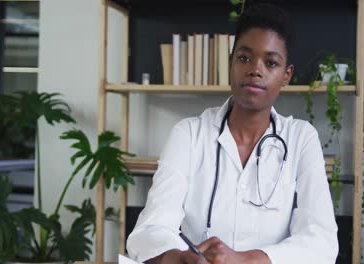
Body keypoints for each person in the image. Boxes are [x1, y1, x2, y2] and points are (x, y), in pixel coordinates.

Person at [127, 3, 338, 264]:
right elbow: (150, 230)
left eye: (271, 63)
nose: (255, 70)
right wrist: (177, 257)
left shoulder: (301, 138)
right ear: (231, 62)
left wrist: (246, 259)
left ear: (286, 75)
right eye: (244, 58)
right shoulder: (189, 134)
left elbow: (322, 241)